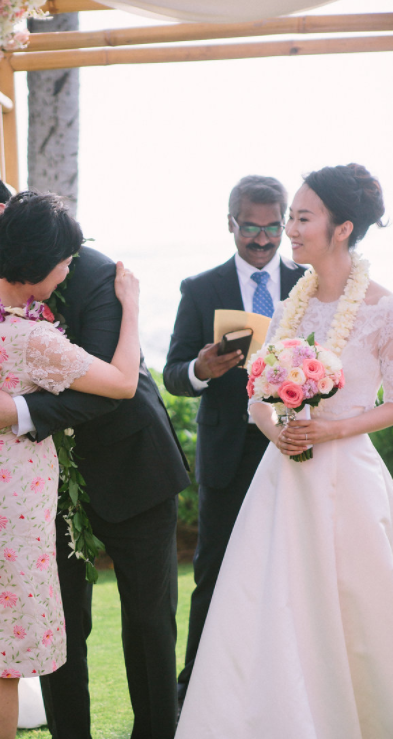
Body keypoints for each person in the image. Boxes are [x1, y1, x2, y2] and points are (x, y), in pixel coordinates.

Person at [0, 171, 190, 739]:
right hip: (39, 487)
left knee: (148, 621)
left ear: (0, 217)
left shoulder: (94, 272)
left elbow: (108, 387)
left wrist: (19, 411)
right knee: (60, 621)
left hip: (130, 465)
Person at [160, 164, 393, 739]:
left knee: (361, 606)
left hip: (347, 475)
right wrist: (275, 427)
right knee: (275, 610)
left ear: (341, 228)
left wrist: (331, 430)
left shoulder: (380, 306)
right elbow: (257, 390)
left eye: (300, 217)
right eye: (289, 217)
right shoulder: (289, 306)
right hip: (282, 476)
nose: (288, 230)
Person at [0, 192, 141, 739]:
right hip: (13, 515)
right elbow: (122, 382)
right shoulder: (32, 337)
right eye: (64, 260)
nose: (69, 270)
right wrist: (132, 307)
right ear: (41, 267)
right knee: (6, 661)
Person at [164, 175, 305, 706]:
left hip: (293, 444)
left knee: (292, 570)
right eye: (251, 227)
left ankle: (285, 690)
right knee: (215, 571)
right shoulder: (201, 289)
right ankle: (195, 692)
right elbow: (173, 372)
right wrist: (200, 369)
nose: (263, 239)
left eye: (273, 227)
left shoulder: (310, 282)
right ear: (231, 224)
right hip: (228, 451)